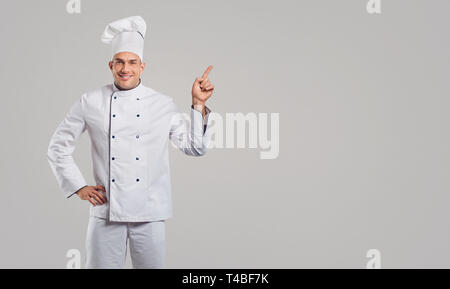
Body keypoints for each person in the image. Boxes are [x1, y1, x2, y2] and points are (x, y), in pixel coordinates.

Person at [47, 15, 215, 269]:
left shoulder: (162, 104)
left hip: (150, 214)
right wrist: (79, 187)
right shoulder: (90, 101)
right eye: (120, 62)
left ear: (142, 66)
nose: (126, 68)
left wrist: (198, 104)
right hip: (105, 214)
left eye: (132, 62)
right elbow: (58, 147)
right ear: (111, 65)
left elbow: (196, 147)